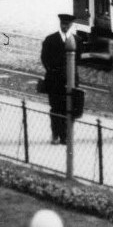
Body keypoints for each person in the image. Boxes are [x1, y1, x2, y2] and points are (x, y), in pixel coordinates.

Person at [40, 14, 81, 144]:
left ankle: (65, 136)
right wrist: (53, 71)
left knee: (69, 109)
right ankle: (56, 134)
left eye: (67, 25)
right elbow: (45, 58)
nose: (65, 26)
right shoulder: (50, 39)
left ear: (71, 25)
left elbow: (78, 59)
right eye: (63, 24)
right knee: (56, 108)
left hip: (71, 81)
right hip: (55, 80)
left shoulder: (77, 40)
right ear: (60, 24)